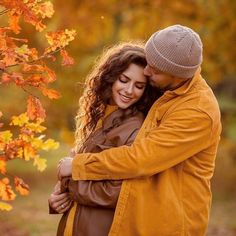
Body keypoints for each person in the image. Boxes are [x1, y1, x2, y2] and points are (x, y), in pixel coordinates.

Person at [58, 24, 222, 235]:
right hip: (142, 216)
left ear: (176, 74)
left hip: (169, 224)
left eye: (154, 69)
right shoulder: (167, 92)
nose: (146, 71)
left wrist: (78, 167)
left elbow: (140, 158)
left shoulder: (198, 111)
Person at [48, 42, 161, 236]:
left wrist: (69, 181)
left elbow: (117, 192)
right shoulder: (100, 117)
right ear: (110, 77)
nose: (129, 90)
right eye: (124, 80)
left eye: (139, 86)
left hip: (99, 229)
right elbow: (86, 174)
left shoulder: (134, 128)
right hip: (74, 224)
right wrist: (57, 200)